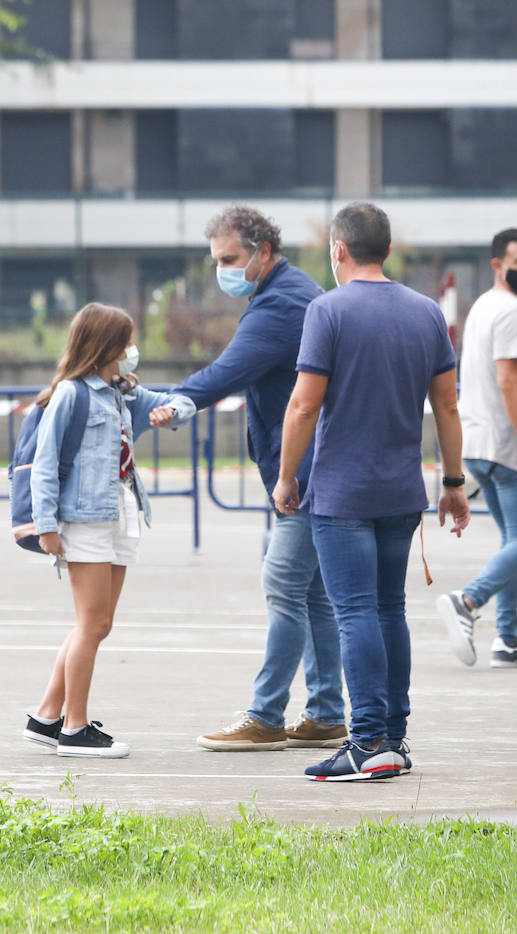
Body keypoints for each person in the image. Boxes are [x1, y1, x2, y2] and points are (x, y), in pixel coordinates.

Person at [274, 202, 470, 782]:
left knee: (354, 611)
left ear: (339, 249)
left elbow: (305, 404)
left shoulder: (327, 310)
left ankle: (365, 743)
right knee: (390, 610)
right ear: (387, 248)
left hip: (342, 492)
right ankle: (394, 739)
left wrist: (287, 477)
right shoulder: (427, 312)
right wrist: (453, 483)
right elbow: (448, 406)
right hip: (400, 491)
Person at [175, 205, 348, 753]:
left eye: (229, 259)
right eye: (216, 261)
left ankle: (266, 716)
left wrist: (171, 402)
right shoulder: (288, 291)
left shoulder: (281, 303)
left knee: (281, 585)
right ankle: (325, 714)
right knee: (315, 595)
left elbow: (230, 370)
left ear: (262, 252)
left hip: (305, 474)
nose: (221, 270)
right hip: (314, 468)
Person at [23, 303, 196, 758]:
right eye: (124, 341)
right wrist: (46, 527)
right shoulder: (71, 395)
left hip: (120, 512)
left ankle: (46, 716)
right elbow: (44, 465)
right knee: (93, 623)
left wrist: (171, 410)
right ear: (105, 345)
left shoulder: (122, 394)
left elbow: (184, 405)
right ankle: (74, 729)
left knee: (96, 625)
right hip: (83, 520)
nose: (131, 350)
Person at [436, 227, 517, 669]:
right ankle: (467, 601)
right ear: (498, 266)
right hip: (507, 448)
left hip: (478, 443)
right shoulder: (513, 314)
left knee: (512, 541)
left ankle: (508, 639)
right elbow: (509, 381)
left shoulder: (485, 304)